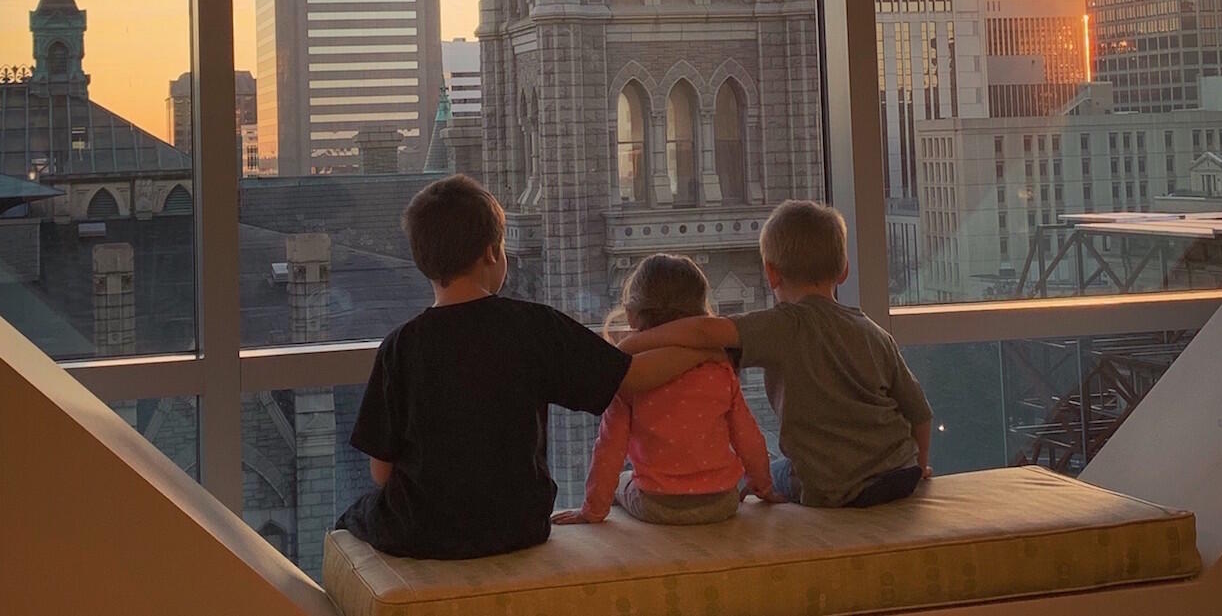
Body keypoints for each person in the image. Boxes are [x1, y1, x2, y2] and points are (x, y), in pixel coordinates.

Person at [334, 175, 722, 559]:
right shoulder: (534, 326)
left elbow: (381, 473)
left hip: (422, 530)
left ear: (424, 263)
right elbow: (633, 376)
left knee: (350, 519)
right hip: (519, 524)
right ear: (492, 253)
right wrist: (710, 349)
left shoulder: (399, 346)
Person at [619, 201, 933, 509]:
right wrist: (919, 465)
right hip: (899, 472)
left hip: (833, 485)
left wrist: (636, 342)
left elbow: (704, 332)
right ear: (844, 270)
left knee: (767, 473)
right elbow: (919, 413)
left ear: (771, 274)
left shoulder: (783, 326)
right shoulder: (875, 333)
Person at [551, 255, 781, 526]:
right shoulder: (719, 369)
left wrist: (592, 511)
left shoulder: (631, 376)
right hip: (721, 502)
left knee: (624, 479)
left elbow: (609, 449)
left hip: (657, 505)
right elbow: (748, 437)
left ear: (632, 314)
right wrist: (764, 488)